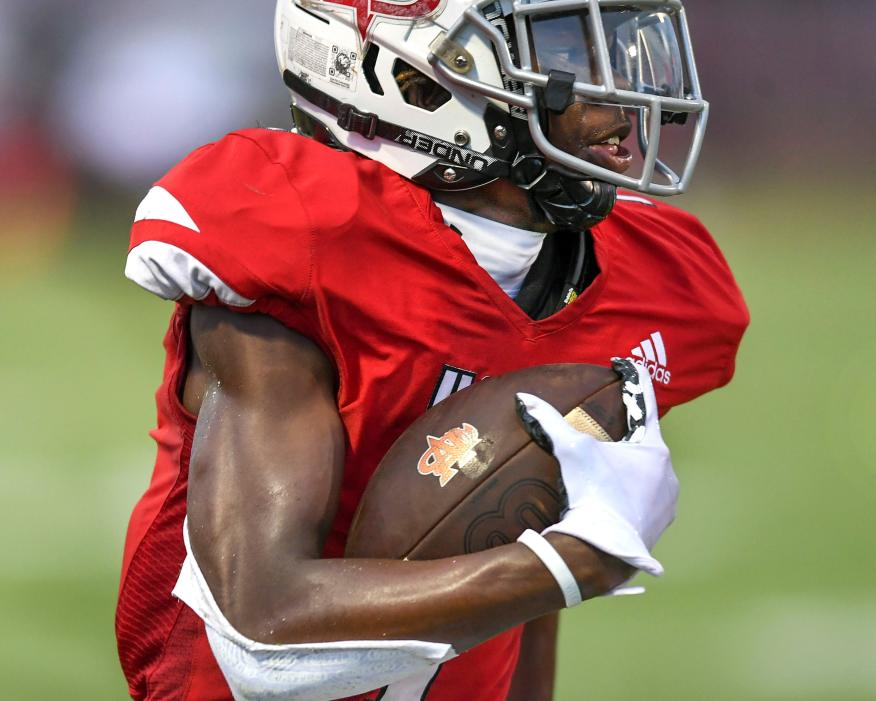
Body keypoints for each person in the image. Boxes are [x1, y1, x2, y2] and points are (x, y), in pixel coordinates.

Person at [115, 0, 749, 698]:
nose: (622, 93)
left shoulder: (644, 280)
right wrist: (567, 564)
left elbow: (518, 536)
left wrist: (545, 570)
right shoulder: (305, 236)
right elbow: (264, 635)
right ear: (422, 87)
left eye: (618, 47)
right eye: (570, 50)